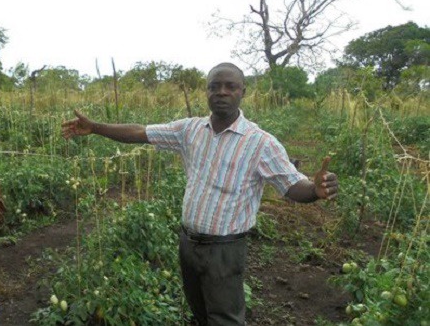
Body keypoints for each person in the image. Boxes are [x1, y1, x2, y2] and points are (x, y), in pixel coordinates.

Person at [61, 62, 338, 326]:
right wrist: (95, 127)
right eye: (214, 86)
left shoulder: (260, 143)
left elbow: (291, 185)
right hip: (188, 244)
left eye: (231, 86)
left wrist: (314, 189)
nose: (222, 92)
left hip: (225, 249)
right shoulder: (190, 130)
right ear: (206, 91)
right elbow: (140, 132)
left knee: (225, 318)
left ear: (243, 92)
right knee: (200, 311)